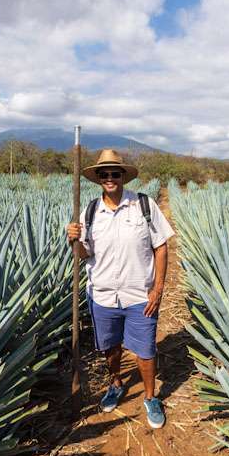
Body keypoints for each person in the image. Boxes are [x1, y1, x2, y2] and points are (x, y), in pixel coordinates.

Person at [66, 149, 174, 428]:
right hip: (103, 294)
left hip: (140, 294)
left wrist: (158, 289)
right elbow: (84, 254)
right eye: (104, 174)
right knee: (110, 347)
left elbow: (161, 247)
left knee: (146, 351)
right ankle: (116, 383)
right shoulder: (90, 212)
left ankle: (151, 397)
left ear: (123, 176)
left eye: (115, 173)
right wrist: (73, 241)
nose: (110, 178)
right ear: (99, 178)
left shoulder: (144, 205)